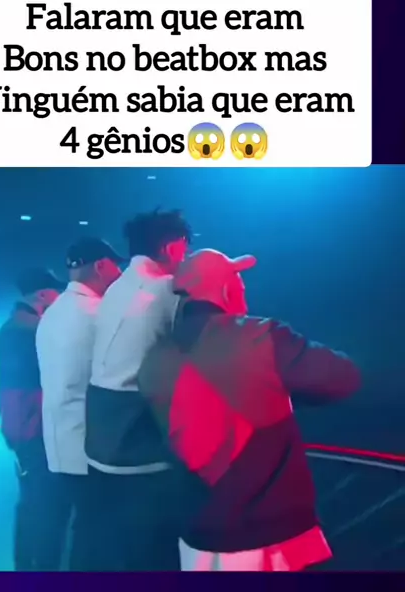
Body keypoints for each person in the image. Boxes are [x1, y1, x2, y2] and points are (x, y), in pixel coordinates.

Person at [138, 249, 362, 572]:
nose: (242, 286)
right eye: (237, 278)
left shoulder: (153, 359)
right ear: (225, 288)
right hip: (271, 538)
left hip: (198, 537)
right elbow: (343, 377)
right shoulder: (260, 336)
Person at [85, 209, 192, 570]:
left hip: (100, 440)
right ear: (173, 247)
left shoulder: (116, 288)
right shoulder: (167, 289)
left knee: (120, 551)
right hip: (138, 441)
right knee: (156, 554)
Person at [36, 237, 123, 571]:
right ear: (101, 266)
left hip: (60, 442)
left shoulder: (53, 312)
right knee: (96, 536)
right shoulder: (99, 314)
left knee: (80, 529)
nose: (120, 274)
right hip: (91, 444)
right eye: (116, 266)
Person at [0, 267, 64, 571]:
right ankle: (39, 568)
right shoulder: (29, 332)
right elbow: (22, 393)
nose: (59, 297)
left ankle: (28, 566)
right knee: (42, 504)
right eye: (55, 291)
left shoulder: (16, 328)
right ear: (43, 295)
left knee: (32, 502)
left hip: (25, 431)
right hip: (33, 432)